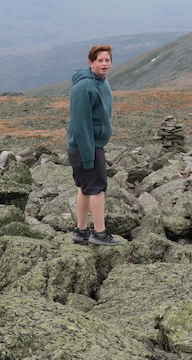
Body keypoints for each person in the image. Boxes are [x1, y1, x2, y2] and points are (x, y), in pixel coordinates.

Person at [66, 44, 119, 246]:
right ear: (91, 63)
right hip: (86, 147)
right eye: (100, 60)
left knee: (85, 186)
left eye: (107, 60)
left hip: (91, 145)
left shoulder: (101, 81)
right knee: (97, 188)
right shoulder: (84, 87)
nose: (104, 64)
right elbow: (81, 125)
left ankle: (81, 230)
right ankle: (99, 233)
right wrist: (89, 156)